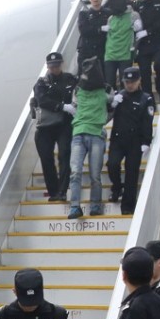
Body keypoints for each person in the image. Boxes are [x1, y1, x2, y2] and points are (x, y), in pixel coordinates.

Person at [68, 56, 112, 220]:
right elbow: (112, 106)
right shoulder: (107, 90)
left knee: (85, 173)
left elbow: (74, 105)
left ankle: (87, 205)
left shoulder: (78, 90)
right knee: (85, 173)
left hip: (87, 133)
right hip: (86, 134)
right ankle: (80, 206)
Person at [107, 67, 155, 215]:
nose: (129, 85)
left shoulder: (145, 99)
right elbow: (106, 113)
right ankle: (116, 188)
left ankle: (127, 207)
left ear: (139, 81)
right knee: (112, 164)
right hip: (117, 139)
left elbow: (147, 121)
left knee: (131, 172)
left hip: (135, 141)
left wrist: (146, 142)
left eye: (132, 82)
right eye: (127, 82)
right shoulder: (119, 95)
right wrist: (111, 104)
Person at [32, 51, 78, 201]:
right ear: (48, 67)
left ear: (61, 64)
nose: (54, 69)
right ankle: (53, 191)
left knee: (64, 155)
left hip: (64, 124)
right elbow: (41, 100)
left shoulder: (70, 79)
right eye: (51, 66)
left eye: (57, 65)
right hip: (45, 126)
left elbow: (82, 90)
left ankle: (62, 191)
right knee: (46, 159)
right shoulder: (42, 82)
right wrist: (61, 106)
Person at [102, 0, 135, 89]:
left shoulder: (133, 15)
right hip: (110, 54)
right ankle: (111, 104)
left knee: (125, 82)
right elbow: (104, 8)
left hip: (125, 53)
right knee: (109, 82)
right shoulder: (110, 18)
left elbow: (138, 33)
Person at [76, 0, 108, 70]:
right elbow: (84, 30)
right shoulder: (84, 14)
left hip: (102, 51)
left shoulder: (108, 13)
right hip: (86, 52)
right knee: (84, 79)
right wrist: (100, 29)